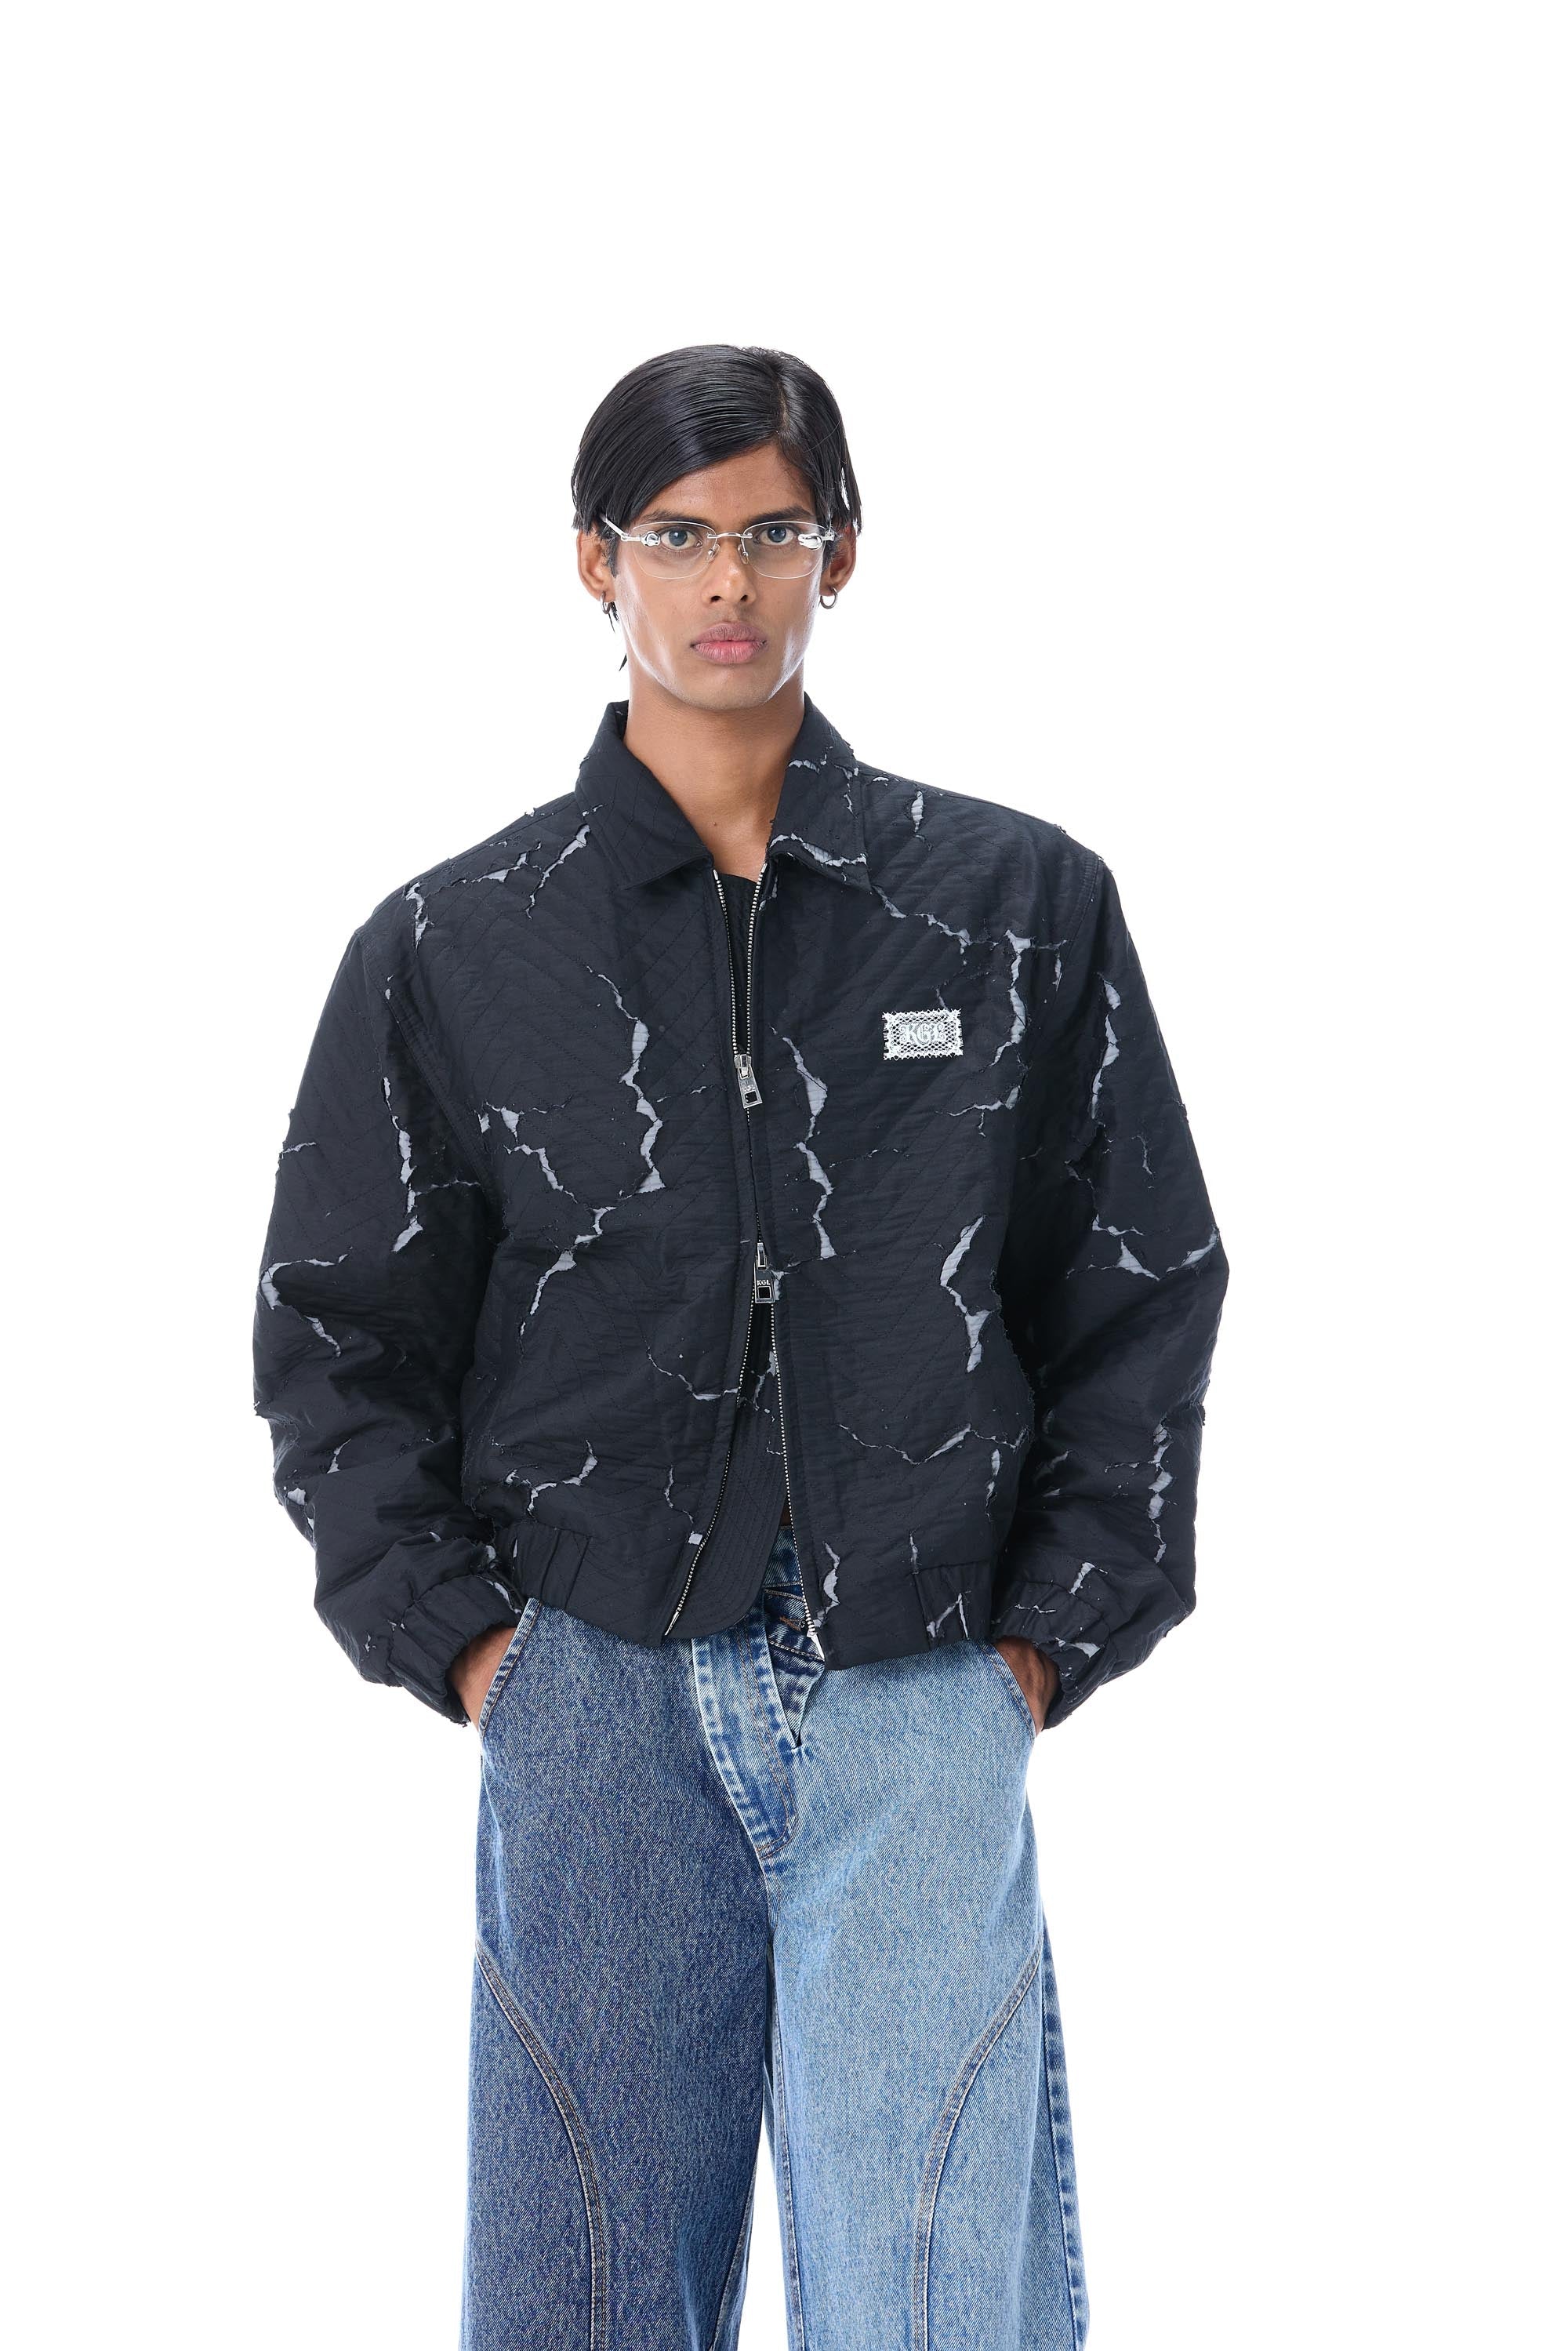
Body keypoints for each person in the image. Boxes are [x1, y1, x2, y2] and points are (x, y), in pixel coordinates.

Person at [252, 342, 1229, 2349]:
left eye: (773, 531)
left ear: (840, 552)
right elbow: (339, 1326)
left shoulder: (1014, 903)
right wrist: (473, 1645)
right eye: (678, 534)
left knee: (926, 2288)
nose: (726, 581)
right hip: (592, 1681)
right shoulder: (455, 941)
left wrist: (1040, 1643)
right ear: (593, 560)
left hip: (920, 1675)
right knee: (589, 2292)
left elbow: (1137, 1280)